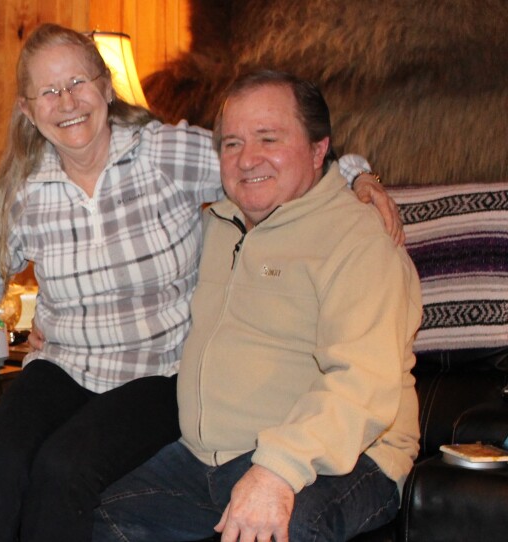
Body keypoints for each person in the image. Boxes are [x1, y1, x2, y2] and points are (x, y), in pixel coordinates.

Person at [0, 24, 400, 542]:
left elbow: (258, 159)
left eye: (77, 83)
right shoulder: (26, 191)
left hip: (156, 371)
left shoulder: (166, 153)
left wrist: (355, 174)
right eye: (48, 92)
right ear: (27, 110)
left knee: (64, 467)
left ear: (105, 87)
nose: (66, 102)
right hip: (67, 366)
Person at [92, 70, 422, 542]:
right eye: (231, 144)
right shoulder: (214, 226)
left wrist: (276, 471)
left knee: (279, 530)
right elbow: (145, 291)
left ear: (318, 149)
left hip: (345, 455)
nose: (247, 159)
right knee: (102, 518)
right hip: (208, 457)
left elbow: (362, 382)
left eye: (269, 138)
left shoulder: (359, 239)